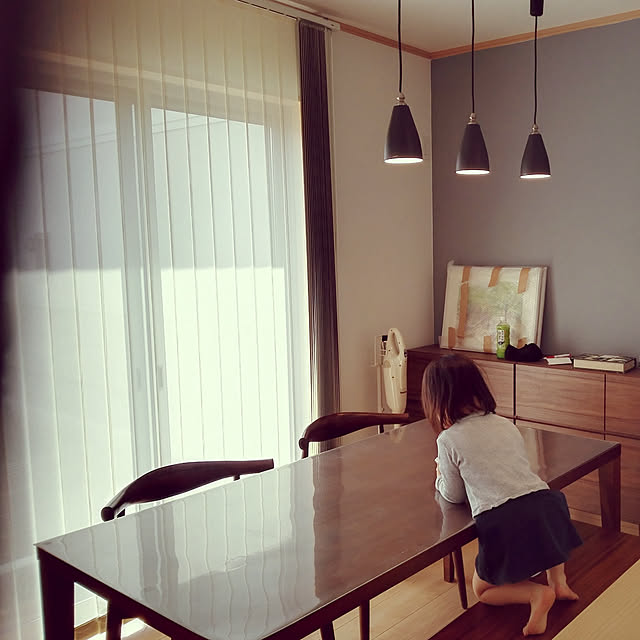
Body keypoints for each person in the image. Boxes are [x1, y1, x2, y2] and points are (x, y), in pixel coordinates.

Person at [421, 353, 582, 636]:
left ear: (437, 401)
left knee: (482, 589)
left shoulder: (448, 439)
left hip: (504, 518)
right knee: (548, 539)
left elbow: (454, 495)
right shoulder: (506, 424)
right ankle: (558, 582)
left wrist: (439, 478)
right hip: (545, 501)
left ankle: (536, 594)